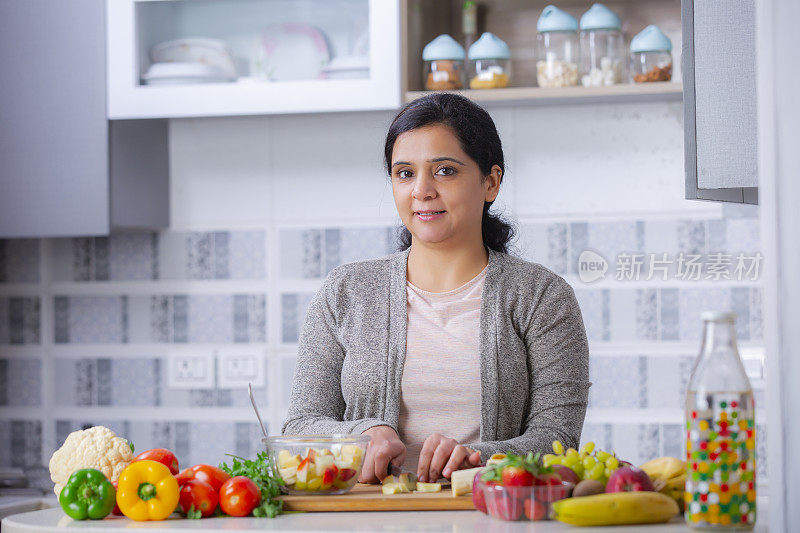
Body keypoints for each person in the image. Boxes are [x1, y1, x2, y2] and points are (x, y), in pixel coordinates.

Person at [282, 93, 591, 484]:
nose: (421, 191)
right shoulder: (346, 292)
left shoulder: (542, 296)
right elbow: (299, 427)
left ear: (491, 182)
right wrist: (361, 434)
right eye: (405, 173)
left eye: (444, 170)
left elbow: (558, 440)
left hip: (491, 517)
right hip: (367, 519)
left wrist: (478, 458)